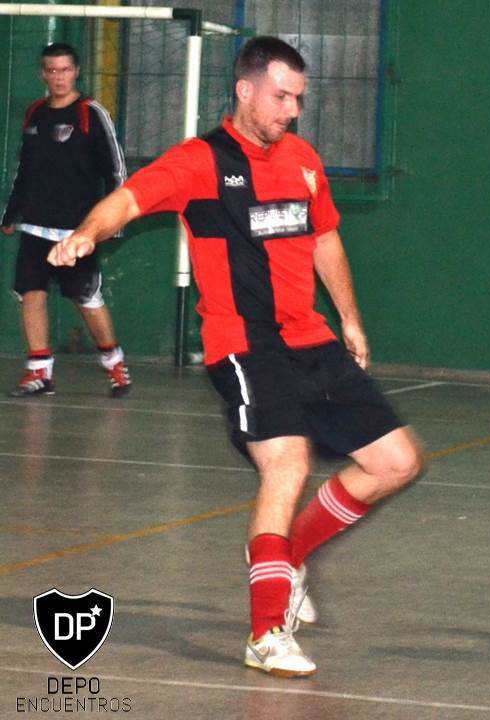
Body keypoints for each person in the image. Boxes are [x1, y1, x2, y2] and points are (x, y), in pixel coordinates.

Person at [48, 36, 425, 678]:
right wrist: (88, 231)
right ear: (245, 91)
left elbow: (326, 240)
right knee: (288, 463)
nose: (292, 110)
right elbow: (130, 201)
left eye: (298, 99)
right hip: (244, 345)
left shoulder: (303, 160)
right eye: (281, 97)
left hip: (310, 339)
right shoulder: (199, 162)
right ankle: (266, 632)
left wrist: (350, 318)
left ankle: (286, 559)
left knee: (397, 462)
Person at [1, 43, 131, 398]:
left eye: (65, 70)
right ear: (43, 74)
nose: (58, 77)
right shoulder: (34, 113)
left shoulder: (91, 113)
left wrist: (114, 220)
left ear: (76, 72)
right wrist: (11, 213)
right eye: (51, 70)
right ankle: (39, 372)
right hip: (34, 225)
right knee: (31, 294)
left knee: (86, 298)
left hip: (77, 231)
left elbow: (116, 170)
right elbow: (24, 169)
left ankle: (114, 364)